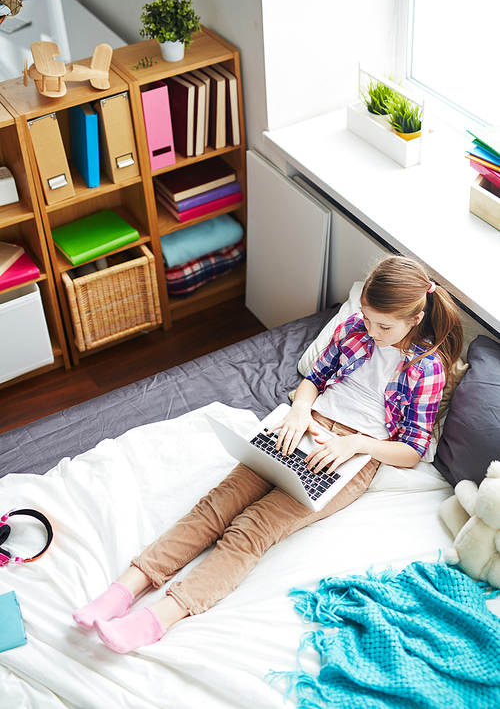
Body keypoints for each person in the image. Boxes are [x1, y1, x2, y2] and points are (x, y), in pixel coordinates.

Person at [73, 254, 463, 653]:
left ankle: (158, 619)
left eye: (383, 325)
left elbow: (413, 450)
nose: (372, 330)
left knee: (253, 529)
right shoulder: (353, 328)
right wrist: (298, 410)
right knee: (214, 508)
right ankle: (124, 590)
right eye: (366, 318)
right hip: (303, 423)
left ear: (414, 319)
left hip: (350, 455)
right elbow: (315, 378)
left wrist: (357, 444)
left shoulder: (427, 367)